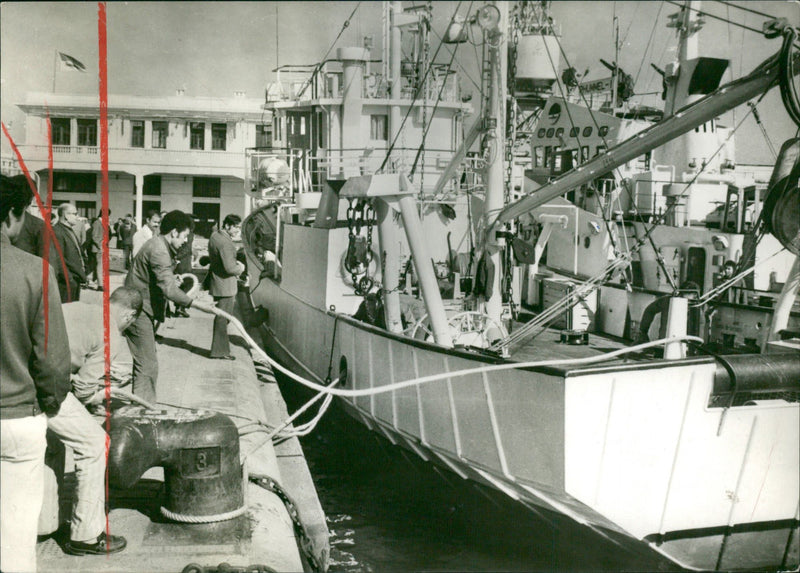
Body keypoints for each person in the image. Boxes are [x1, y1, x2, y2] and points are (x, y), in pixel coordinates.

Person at [1, 174, 71, 573]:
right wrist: (49, 402)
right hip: (18, 419)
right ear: (12, 215)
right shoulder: (35, 271)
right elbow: (52, 363)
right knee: (15, 539)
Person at [124, 210, 216, 402]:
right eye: (184, 236)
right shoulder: (159, 249)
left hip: (138, 305)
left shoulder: (158, 244)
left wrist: (171, 278)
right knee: (148, 364)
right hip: (137, 309)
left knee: (144, 361)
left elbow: (156, 278)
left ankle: (140, 404)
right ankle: (143, 411)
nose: (185, 242)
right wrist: (199, 304)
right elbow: (169, 290)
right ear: (174, 232)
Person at [62, 287, 140, 413]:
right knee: (94, 432)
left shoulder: (77, 306)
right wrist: (93, 399)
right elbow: (83, 389)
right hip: (40, 381)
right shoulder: (111, 334)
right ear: (129, 315)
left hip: (24, 359)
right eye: (128, 325)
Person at [208, 214, 245, 359]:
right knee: (223, 318)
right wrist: (240, 268)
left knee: (221, 317)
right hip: (226, 286)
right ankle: (220, 351)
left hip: (217, 283)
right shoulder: (226, 242)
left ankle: (220, 350)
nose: (237, 230)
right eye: (235, 227)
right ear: (227, 225)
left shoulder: (214, 236)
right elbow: (230, 268)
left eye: (239, 227)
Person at [53, 203, 87, 303]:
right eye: (75, 214)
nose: (77, 217)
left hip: (75, 280)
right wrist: (70, 280)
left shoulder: (68, 230)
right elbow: (58, 259)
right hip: (66, 283)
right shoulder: (57, 231)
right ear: (66, 216)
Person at [87, 211, 109, 290]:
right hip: (98, 248)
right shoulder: (97, 223)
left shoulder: (102, 222)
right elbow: (94, 236)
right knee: (99, 266)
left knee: (99, 266)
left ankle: (99, 283)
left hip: (101, 248)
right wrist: (100, 246)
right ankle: (100, 285)